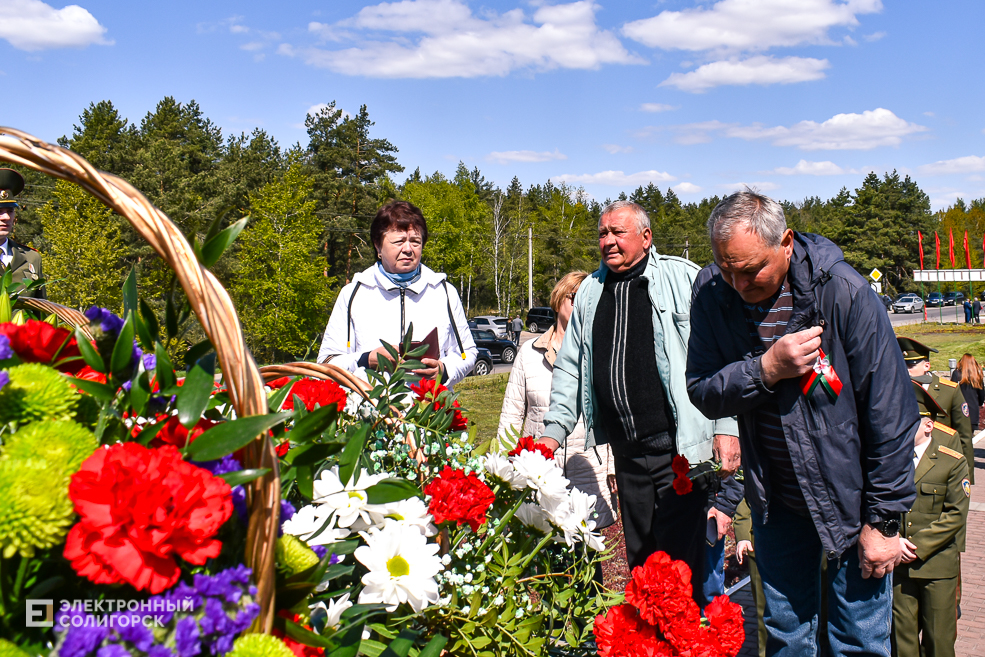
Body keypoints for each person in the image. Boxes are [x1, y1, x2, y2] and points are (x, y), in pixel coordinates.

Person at [686, 190, 918, 656]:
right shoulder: (714, 294)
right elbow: (704, 389)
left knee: (859, 640)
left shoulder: (845, 293)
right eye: (725, 267)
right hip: (777, 501)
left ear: (786, 242)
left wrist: (884, 522)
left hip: (853, 504)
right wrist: (766, 369)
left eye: (750, 270)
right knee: (787, 636)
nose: (737, 282)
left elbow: (891, 414)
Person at [537, 200, 739, 607]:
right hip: (628, 455)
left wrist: (727, 426)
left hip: (681, 454)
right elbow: (571, 368)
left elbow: (724, 355)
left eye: (618, 232)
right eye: (602, 233)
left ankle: (689, 647)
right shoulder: (591, 292)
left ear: (646, 238)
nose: (608, 241)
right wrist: (552, 433)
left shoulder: (686, 279)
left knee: (682, 569)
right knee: (643, 566)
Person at [497, 271, 616, 531]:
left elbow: (614, 415)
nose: (582, 305)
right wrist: (503, 468)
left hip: (588, 474)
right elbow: (511, 416)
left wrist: (613, 467)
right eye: (576, 297)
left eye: (590, 299)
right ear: (559, 298)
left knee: (586, 558)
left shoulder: (602, 354)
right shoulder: (529, 354)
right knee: (539, 553)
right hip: (540, 472)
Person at [317, 201, 477, 387]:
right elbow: (326, 363)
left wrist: (444, 369)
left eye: (415, 241)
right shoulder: (353, 293)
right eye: (399, 241)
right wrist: (366, 359)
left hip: (429, 410)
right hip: (370, 410)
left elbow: (468, 352)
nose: (408, 249)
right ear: (378, 246)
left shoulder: (444, 292)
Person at [892, 383, 969, 657]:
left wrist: (914, 546)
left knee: (938, 643)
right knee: (902, 644)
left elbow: (955, 515)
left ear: (927, 426)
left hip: (937, 566)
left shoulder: (953, 462)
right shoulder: (891, 460)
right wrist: (893, 541)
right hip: (899, 566)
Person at [898, 337, 974, 484]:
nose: (905, 370)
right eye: (902, 365)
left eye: (910, 365)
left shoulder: (949, 391)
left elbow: (964, 436)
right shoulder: (894, 389)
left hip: (940, 463)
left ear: (927, 365)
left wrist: (966, 476)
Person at [0, 169, 45, 299]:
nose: (6, 217)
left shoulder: (31, 258)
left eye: (10, 211)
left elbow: (40, 313)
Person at [951, 353, 984, 433]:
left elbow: (951, 390)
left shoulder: (957, 374)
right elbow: (981, 394)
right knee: (969, 437)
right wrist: (980, 403)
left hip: (959, 409)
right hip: (973, 410)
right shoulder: (977, 376)